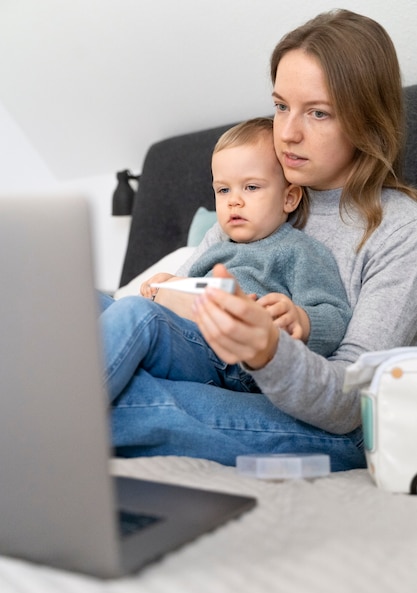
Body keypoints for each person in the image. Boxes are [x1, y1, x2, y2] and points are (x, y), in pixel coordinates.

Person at [107, 9, 417, 472]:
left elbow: (355, 401)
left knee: (130, 396)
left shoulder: (400, 229)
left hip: (331, 426)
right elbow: (195, 288)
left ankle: (37, 420)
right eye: (280, 106)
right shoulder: (258, 188)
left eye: (318, 113)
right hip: (216, 373)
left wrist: (269, 350)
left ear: (367, 121)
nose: (287, 133)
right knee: (83, 309)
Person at [100, 117, 351, 402]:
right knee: (89, 302)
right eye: (223, 190)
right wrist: (167, 286)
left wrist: (302, 320)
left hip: (235, 362)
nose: (234, 201)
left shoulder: (299, 250)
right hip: (191, 337)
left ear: (289, 198)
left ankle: (72, 406)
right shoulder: (218, 245)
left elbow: (336, 314)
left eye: (251, 187)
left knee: (137, 313)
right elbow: (189, 289)